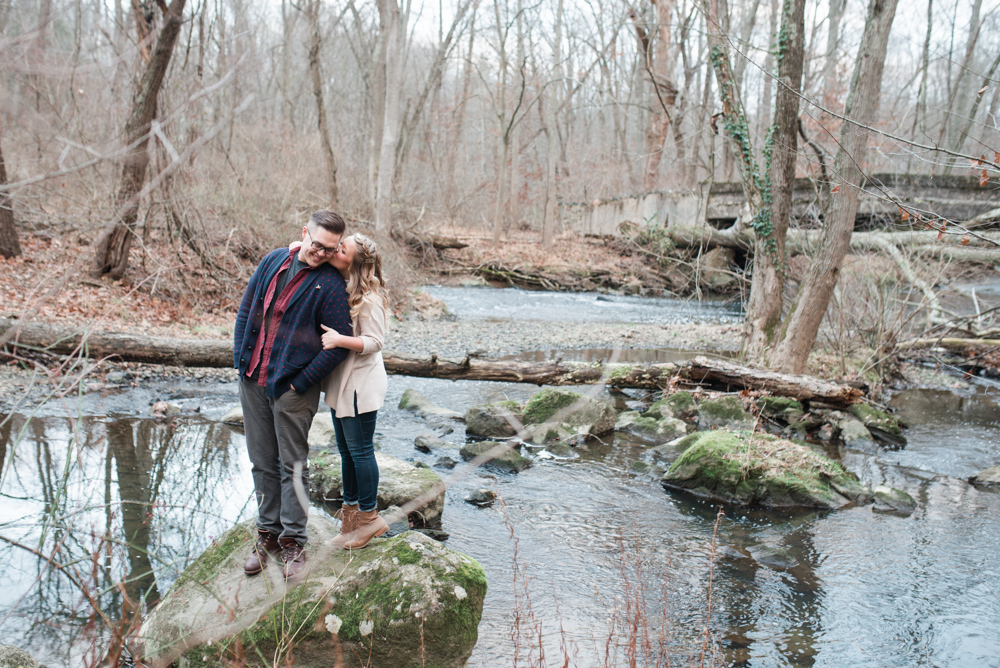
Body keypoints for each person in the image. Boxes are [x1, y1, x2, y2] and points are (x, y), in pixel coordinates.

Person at [234, 210, 353, 579]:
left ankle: (293, 542)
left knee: (293, 466)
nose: (321, 253)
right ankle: (267, 534)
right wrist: (240, 360)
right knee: (261, 462)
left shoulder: (330, 284)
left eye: (330, 249)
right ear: (304, 234)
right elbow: (247, 310)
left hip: (292, 388)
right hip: (253, 378)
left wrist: (301, 384)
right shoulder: (273, 260)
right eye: (317, 245)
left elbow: (338, 345)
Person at [320, 233, 391, 549]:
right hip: (342, 383)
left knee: (361, 451)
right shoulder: (342, 286)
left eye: (342, 248)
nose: (336, 250)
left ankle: (369, 518)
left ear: (355, 262)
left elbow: (375, 342)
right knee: (346, 452)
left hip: (362, 385)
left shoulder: (371, 298)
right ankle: (349, 520)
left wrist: (339, 340)